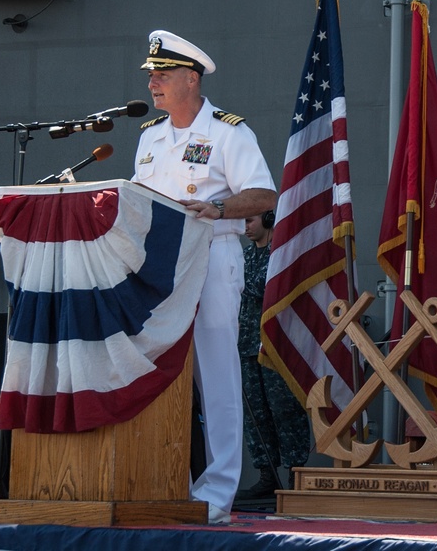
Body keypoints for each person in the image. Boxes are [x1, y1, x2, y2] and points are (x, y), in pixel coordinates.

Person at [132, 30, 277, 524]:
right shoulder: (150, 136)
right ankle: (154, 477)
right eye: (152, 75)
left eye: (163, 74)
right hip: (155, 266)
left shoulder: (228, 132)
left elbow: (263, 195)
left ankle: (217, 491)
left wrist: (215, 207)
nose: (153, 83)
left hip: (212, 255)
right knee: (153, 368)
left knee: (216, 371)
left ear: (191, 79)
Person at [237, 210, 310, 500]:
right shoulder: (243, 256)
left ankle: (295, 472)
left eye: (249, 221)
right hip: (245, 346)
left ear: (267, 220)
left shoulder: (279, 255)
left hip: (274, 346)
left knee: (284, 408)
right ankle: (267, 473)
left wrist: (234, 283)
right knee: (255, 414)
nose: (245, 228)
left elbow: (265, 289)